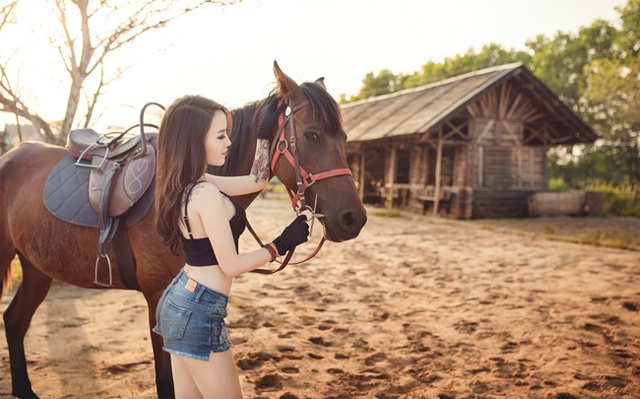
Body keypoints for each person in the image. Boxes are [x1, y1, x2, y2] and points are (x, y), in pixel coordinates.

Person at [153, 94, 310, 398]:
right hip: (198, 310)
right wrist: (282, 243)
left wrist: (264, 138)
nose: (228, 142)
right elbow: (231, 265)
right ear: (195, 140)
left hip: (180, 302)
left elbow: (256, 179)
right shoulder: (206, 194)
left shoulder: (195, 182)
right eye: (220, 135)